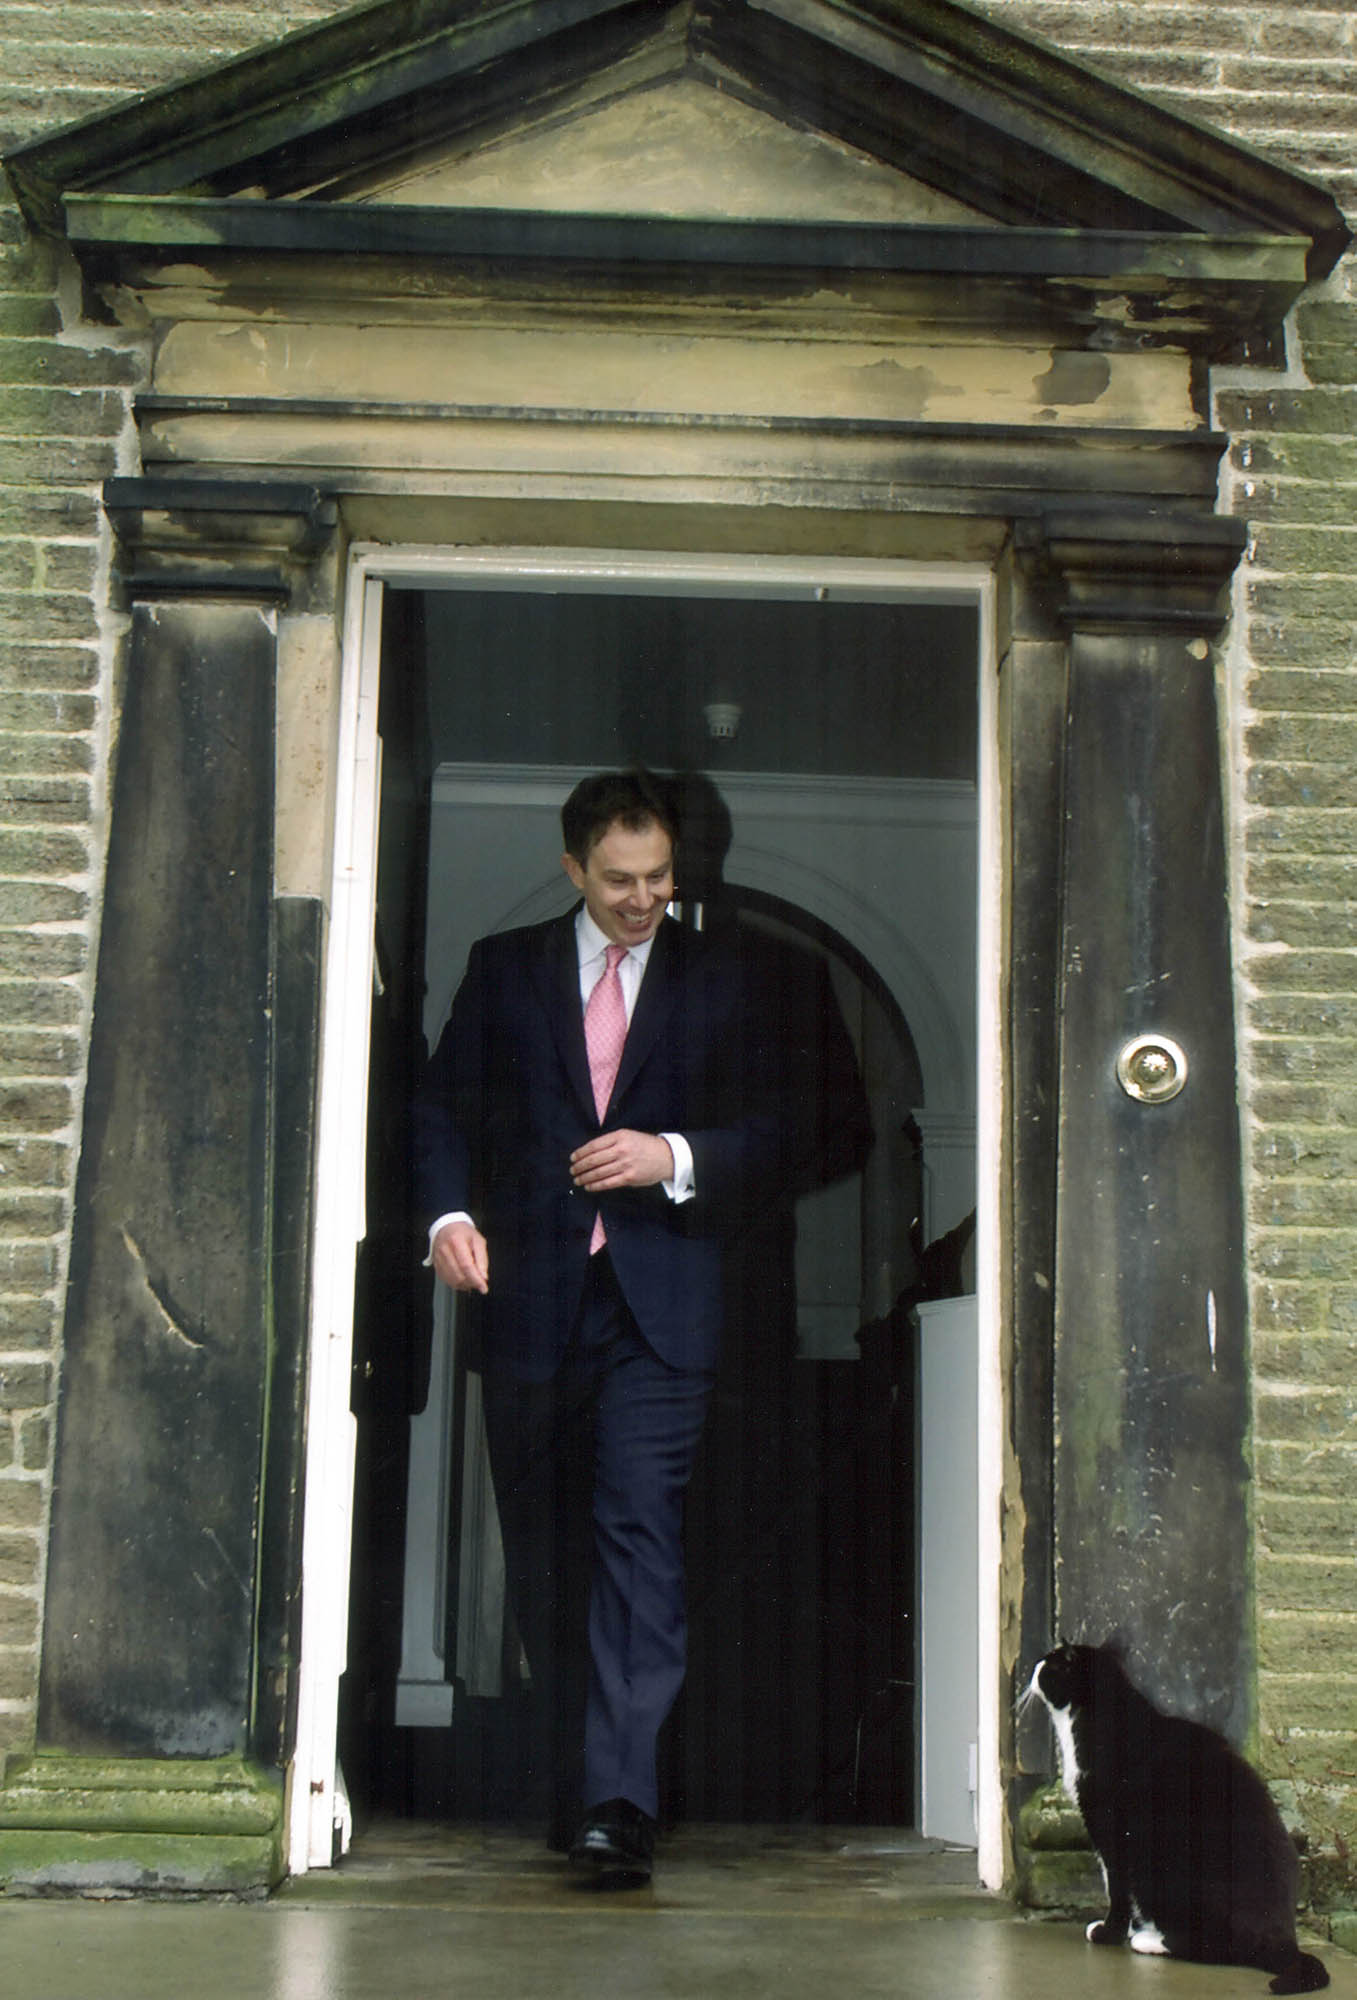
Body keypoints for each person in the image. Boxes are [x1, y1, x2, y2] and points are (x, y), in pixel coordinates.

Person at [413, 769, 782, 1883]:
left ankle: (620, 1799)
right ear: (574, 866)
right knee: (543, 1555)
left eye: (660, 878)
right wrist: (447, 1214)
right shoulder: (505, 967)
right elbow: (439, 1105)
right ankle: (579, 1775)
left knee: (637, 1539)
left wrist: (672, 1154)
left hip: (659, 1313)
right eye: (618, 880)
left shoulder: (728, 975)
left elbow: (785, 1124)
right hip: (527, 1305)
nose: (641, 899)